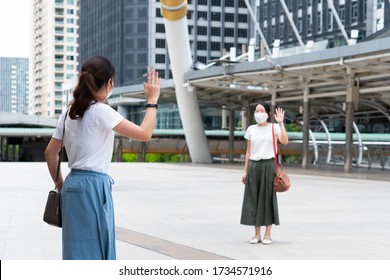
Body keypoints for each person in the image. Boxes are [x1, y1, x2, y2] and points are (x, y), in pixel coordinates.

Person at [44, 56, 160, 260]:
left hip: (72, 185)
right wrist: (152, 101)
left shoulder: (68, 113)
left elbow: (50, 152)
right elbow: (145, 133)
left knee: (76, 251)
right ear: (109, 83)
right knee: (97, 248)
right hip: (93, 187)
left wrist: (61, 185)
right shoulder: (101, 111)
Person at [240, 102, 289, 245]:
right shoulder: (251, 129)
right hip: (254, 166)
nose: (258, 113)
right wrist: (245, 171)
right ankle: (256, 235)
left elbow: (284, 141)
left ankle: (268, 235)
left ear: (267, 113)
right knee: (254, 199)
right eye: (256, 110)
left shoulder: (274, 127)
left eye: (261, 110)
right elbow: (248, 151)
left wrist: (281, 124)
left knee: (267, 200)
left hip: (269, 165)